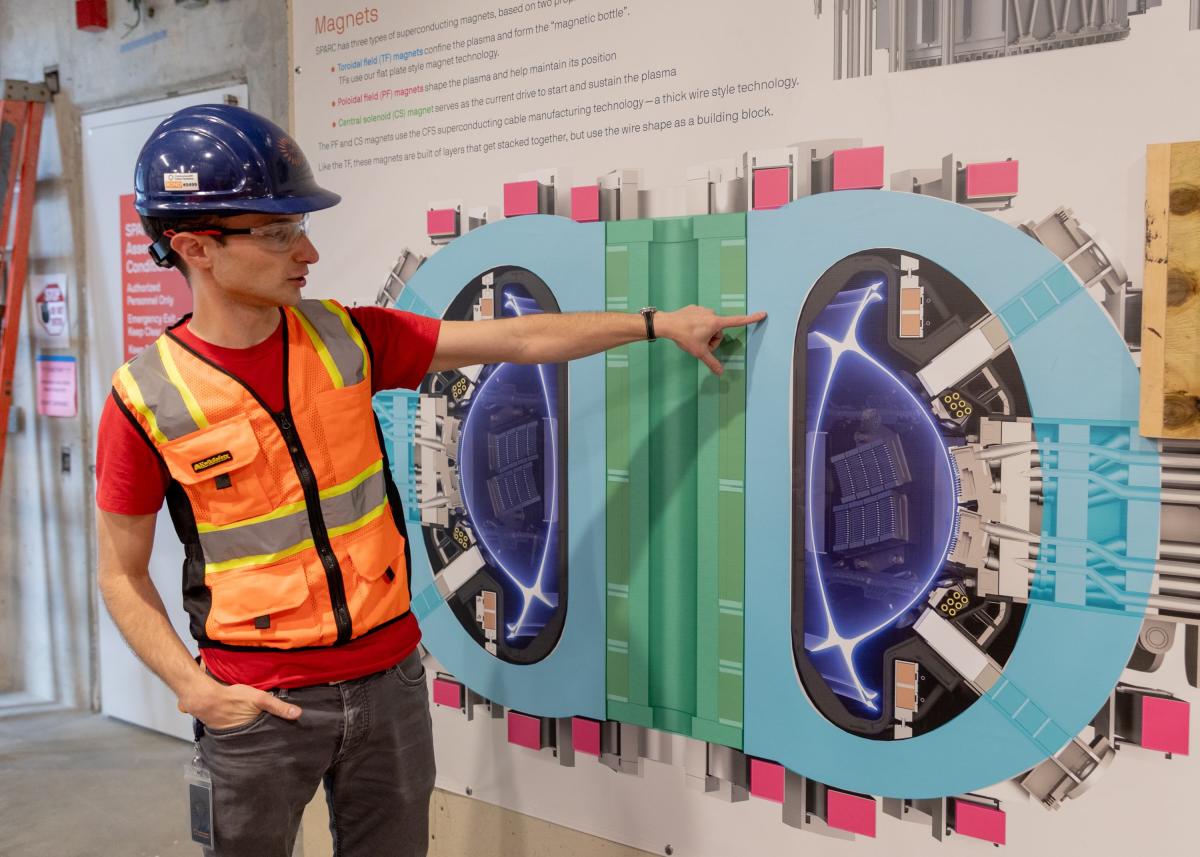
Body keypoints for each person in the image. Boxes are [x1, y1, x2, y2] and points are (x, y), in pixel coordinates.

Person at [96, 104, 765, 857]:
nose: (307, 251)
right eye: (280, 233)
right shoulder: (145, 398)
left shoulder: (349, 337)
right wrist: (192, 687)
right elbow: (121, 572)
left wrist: (655, 323)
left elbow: (518, 337)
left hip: (389, 687)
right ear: (195, 248)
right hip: (257, 708)